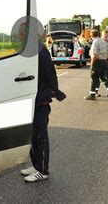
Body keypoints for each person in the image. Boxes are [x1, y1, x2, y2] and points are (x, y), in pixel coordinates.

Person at [21, 41, 67, 182]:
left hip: (40, 98)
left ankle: (42, 170)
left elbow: (50, 73)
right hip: (33, 98)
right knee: (33, 134)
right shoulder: (31, 49)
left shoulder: (40, 51)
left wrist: (56, 91)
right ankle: (36, 165)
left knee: (40, 135)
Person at [84, 29, 108, 101]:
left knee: (94, 77)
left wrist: (92, 64)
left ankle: (92, 94)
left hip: (97, 62)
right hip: (104, 61)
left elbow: (94, 55)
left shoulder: (95, 42)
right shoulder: (103, 42)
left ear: (91, 35)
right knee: (103, 78)